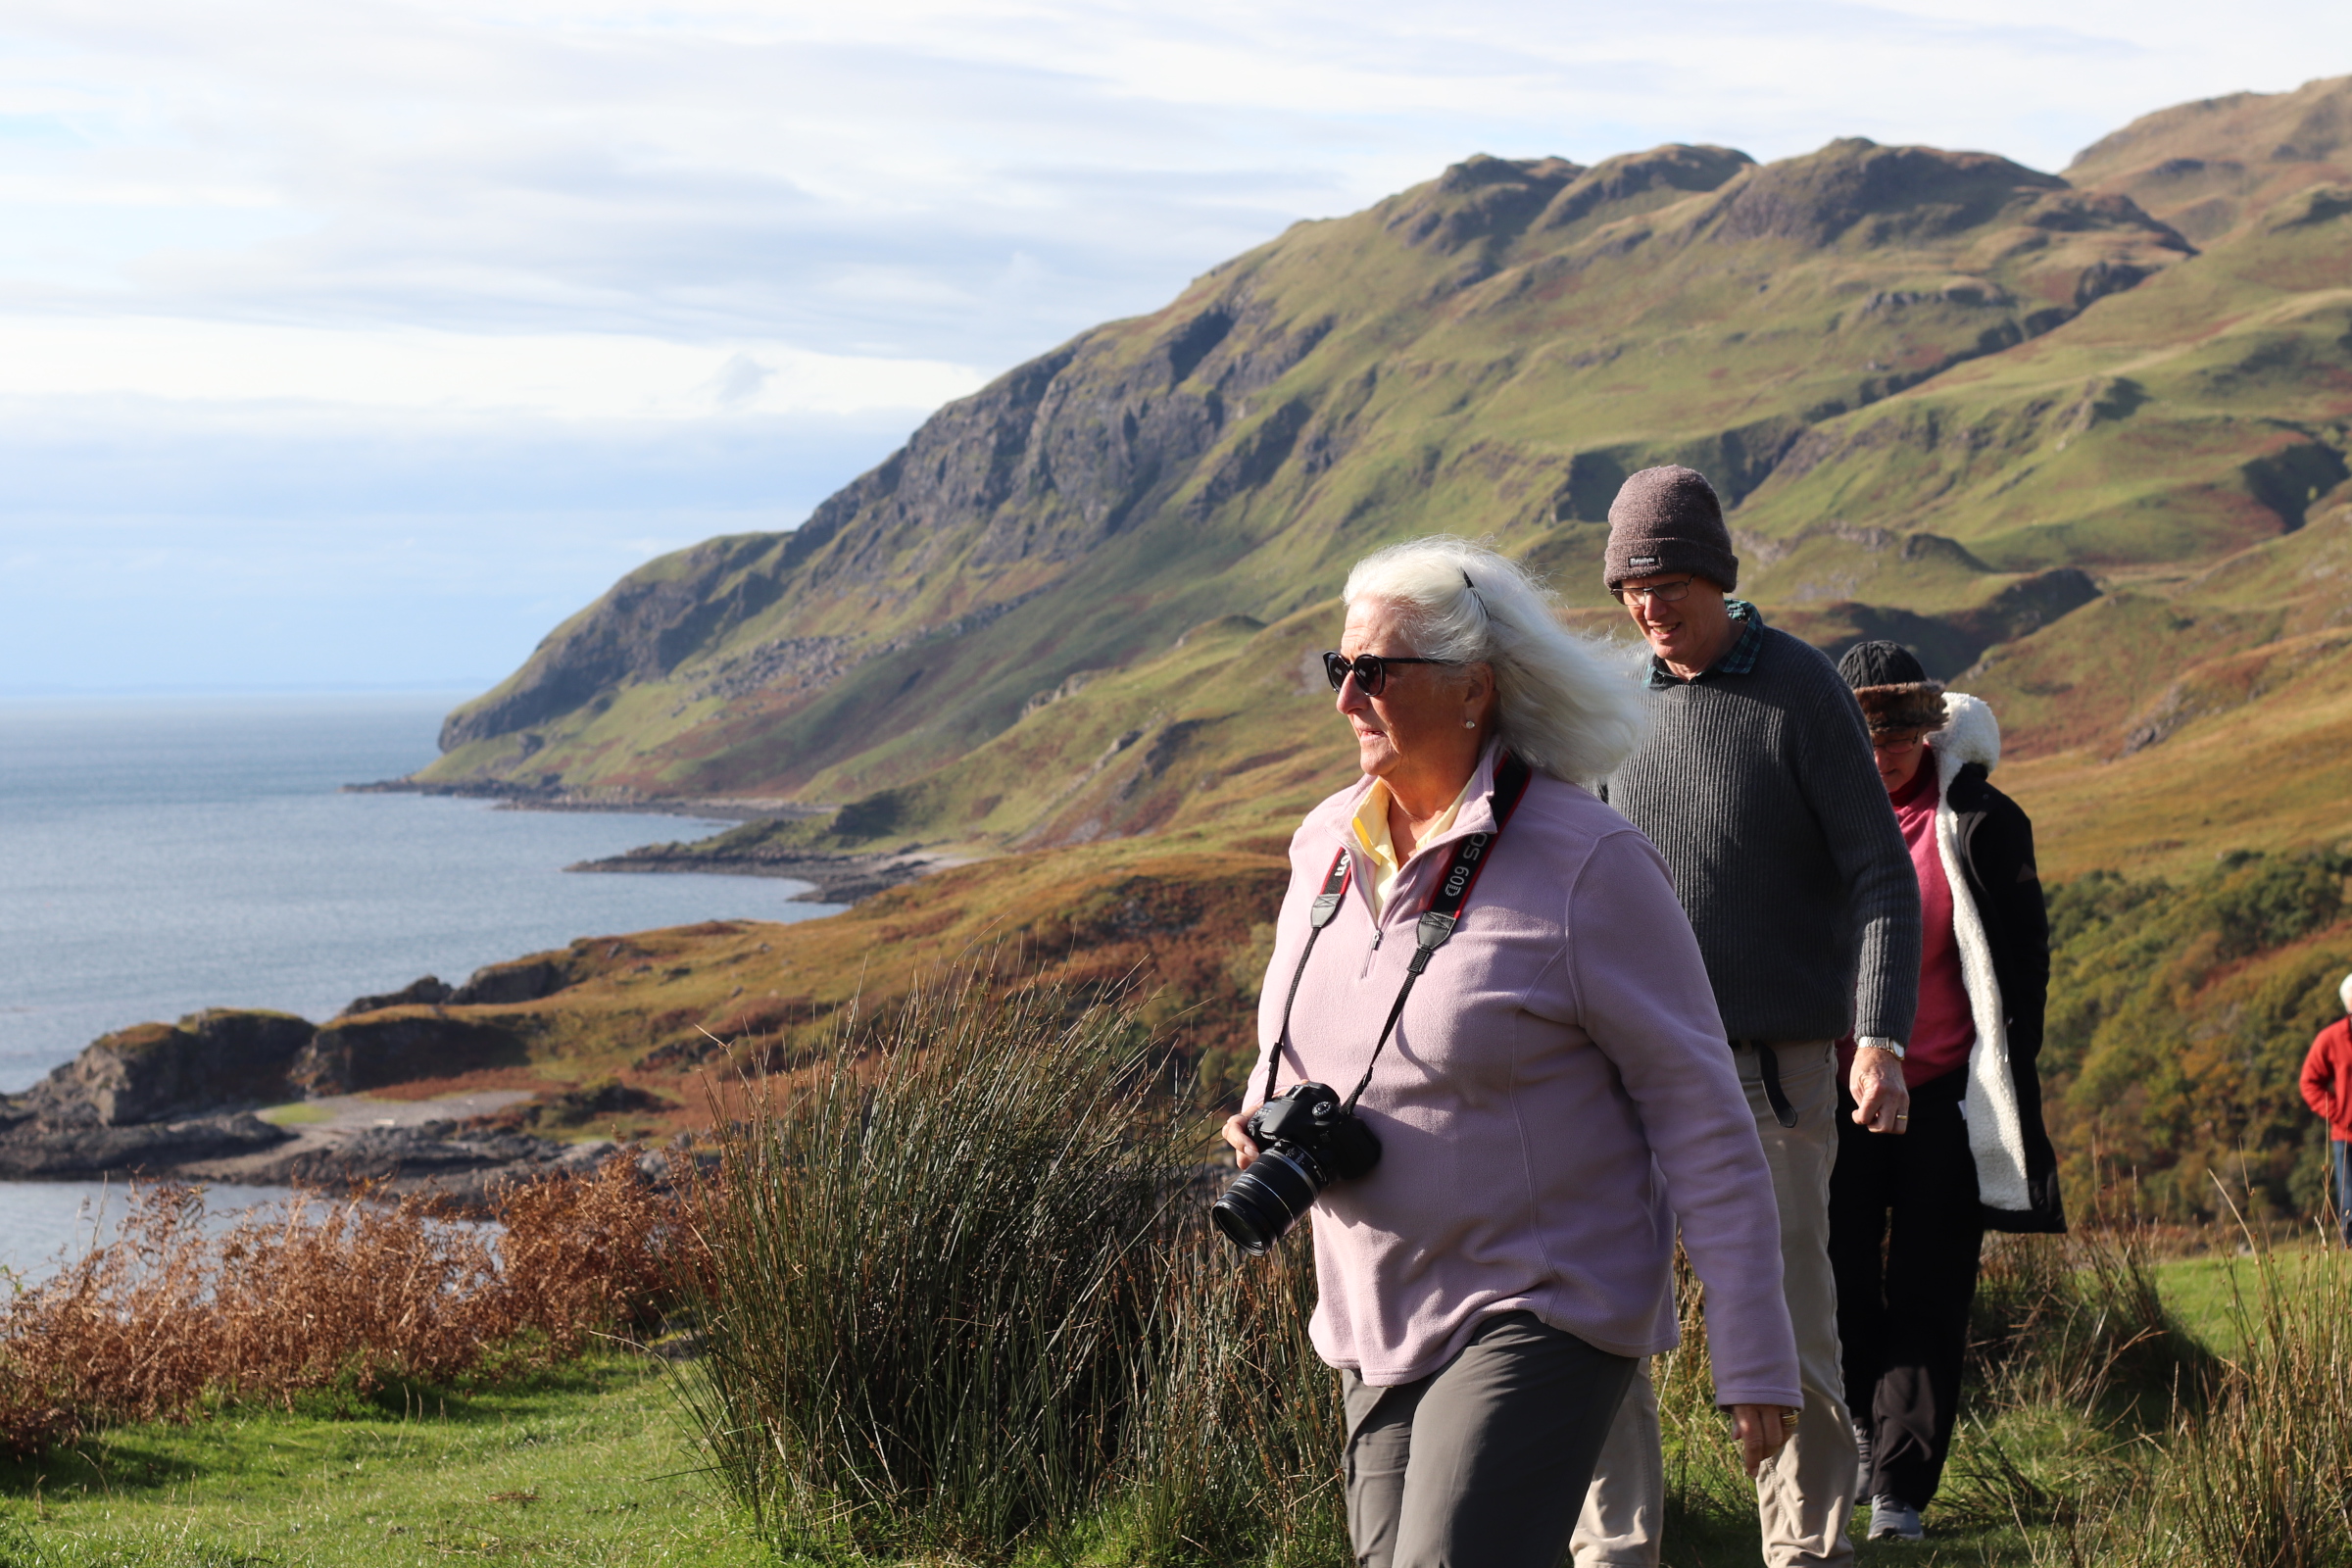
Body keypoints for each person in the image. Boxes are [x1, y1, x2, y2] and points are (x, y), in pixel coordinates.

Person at [1223, 536, 1803, 1568]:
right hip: (1374, 1306)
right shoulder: (1323, 843)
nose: (1349, 697)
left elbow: (1699, 1110)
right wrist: (1258, 1110)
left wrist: (1754, 1350)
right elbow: (1296, 1029)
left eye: (1378, 672)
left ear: (1475, 690)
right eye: (1339, 668)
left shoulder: (1591, 863)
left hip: (1541, 1299)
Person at [1577, 466, 1921, 1568]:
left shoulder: (1803, 689)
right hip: (1625, 1072)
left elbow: (1879, 871)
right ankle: (1613, 1553)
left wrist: (1877, 1036)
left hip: (1772, 1072)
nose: (1648, 605)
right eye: (1631, 584)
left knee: (1783, 1321)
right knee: (1602, 1319)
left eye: (1669, 580)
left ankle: (1806, 1553)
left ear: (1718, 577)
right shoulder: (1615, 709)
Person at [1826, 642, 2063, 1544]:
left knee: (1931, 1290)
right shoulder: (1817, 818)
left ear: (1931, 728)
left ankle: (1899, 1491)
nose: (1885, 752)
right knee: (1835, 1275)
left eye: (1901, 733)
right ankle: (1853, 1431)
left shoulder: (1982, 821)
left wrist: (2004, 1069)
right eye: (1868, 733)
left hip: (1943, 1101)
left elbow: (2024, 964)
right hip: (1835, 1098)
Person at [2297, 973, 2352, 1247]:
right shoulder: (2330, 1039)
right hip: (2347, 1137)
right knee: (2350, 1203)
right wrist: (2342, 1114)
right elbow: (2309, 1083)